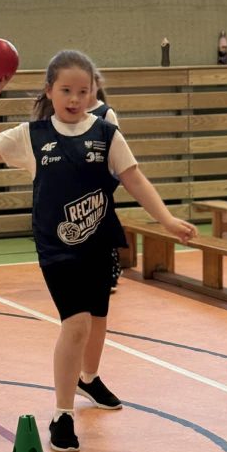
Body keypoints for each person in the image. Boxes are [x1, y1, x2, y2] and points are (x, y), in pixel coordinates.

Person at [0, 49, 197, 452]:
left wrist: (166, 220)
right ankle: (62, 414)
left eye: (82, 91)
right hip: (56, 248)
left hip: (99, 242)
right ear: (49, 91)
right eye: (65, 91)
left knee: (97, 321)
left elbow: (135, 179)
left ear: (93, 92)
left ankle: (88, 379)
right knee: (75, 325)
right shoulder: (32, 136)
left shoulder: (106, 133)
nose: (74, 99)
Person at [86, 70, 123, 292]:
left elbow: (116, 147)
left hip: (101, 178)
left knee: (103, 225)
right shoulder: (71, 113)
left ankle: (111, 272)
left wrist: (110, 176)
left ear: (97, 85)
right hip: (78, 179)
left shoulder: (105, 113)